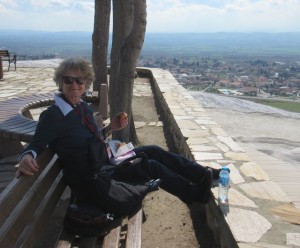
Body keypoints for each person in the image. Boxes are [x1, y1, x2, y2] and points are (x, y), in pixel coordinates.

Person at [16, 58, 220, 217]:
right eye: (68, 80)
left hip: (105, 161)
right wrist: (27, 156)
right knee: (151, 165)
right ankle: (194, 194)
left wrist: (110, 128)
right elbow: (36, 144)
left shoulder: (81, 107)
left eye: (80, 80)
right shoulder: (53, 116)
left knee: (154, 150)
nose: (75, 84)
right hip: (96, 178)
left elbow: (91, 140)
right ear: (60, 82)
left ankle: (202, 174)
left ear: (86, 83)